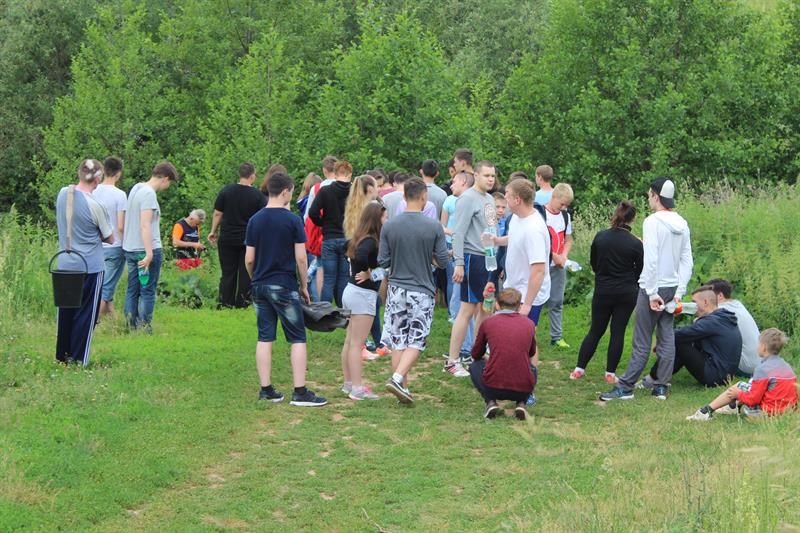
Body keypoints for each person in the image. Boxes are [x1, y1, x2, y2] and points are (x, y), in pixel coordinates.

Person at [601, 177, 693, 401]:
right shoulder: (682, 222)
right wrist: (679, 292)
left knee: (641, 339)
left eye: (649, 194)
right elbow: (687, 260)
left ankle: (626, 387)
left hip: (653, 286)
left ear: (655, 196)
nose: (648, 198)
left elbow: (651, 259)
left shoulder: (652, 222)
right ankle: (661, 386)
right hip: (671, 286)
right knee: (666, 336)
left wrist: (651, 292)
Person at [244, 172, 326, 407]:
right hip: (284, 285)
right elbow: (301, 258)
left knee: (265, 337)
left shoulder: (255, 220)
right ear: (285, 191)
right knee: (297, 338)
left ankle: (266, 390)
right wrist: (304, 285)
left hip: (260, 285)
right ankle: (300, 392)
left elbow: (249, 259)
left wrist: (255, 279)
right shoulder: (292, 220)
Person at [380, 178, 450, 404]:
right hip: (421, 289)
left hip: (396, 289)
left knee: (398, 340)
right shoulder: (433, 226)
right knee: (417, 340)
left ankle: (403, 388)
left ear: (404, 196)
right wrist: (429, 257)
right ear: (424, 196)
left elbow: (383, 260)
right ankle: (397, 379)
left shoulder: (390, 225)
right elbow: (442, 262)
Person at [572, 202, 643, 382]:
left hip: (603, 290)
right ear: (633, 219)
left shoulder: (601, 236)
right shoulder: (636, 243)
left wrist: (604, 275)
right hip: (626, 292)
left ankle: (579, 369)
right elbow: (640, 271)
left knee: (595, 330)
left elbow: (594, 263)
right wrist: (630, 280)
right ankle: (610, 374)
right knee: (617, 331)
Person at [55, 159, 113, 366]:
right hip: (90, 266)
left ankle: (62, 356)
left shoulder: (63, 194)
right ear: (97, 179)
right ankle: (79, 359)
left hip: (65, 263)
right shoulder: (96, 205)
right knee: (85, 315)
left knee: (66, 313)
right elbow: (110, 238)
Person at [446, 160, 498, 377]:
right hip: (472, 258)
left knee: (486, 308)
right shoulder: (467, 198)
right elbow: (458, 233)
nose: (490, 179)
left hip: (488, 259)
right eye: (486, 175)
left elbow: (491, 231)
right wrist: (459, 263)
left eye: (493, 176)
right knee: (467, 310)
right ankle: (452, 361)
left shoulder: (490, 199)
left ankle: (477, 354)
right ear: (475, 175)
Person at [687, 328, 797, 421]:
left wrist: (738, 394)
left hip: (766, 415)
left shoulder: (763, 369)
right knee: (750, 384)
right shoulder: (787, 366)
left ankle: (706, 411)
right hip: (787, 413)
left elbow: (753, 399)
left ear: (763, 347)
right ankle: (731, 407)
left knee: (740, 386)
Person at [643, 285, 741, 387]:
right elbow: (690, 334)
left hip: (716, 377)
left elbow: (681, 335)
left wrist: (661, 341)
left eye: (694, 302)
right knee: (683, 341)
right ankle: (660, 376)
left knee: (679, 342)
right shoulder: (721, 317)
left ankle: (653, 378)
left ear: (705, 302)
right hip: (725, 376)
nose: (692, 305)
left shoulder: (711, 322)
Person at [122, 161, 179, 332]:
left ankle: (130, 326)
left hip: (130, 248)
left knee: (132, 290)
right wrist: (149, 254)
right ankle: (144, 328)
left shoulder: (137, 188)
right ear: (165, 178)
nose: (168, 187)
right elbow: (145, 225)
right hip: (144, 250)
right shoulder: (149, 194)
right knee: (147, 291)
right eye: (169, 183)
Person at [340, 202, 387, 400]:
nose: (387, 220)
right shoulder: (370, 241)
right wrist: (370, 272)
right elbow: (360, 257)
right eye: (385, 217)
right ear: (376, 219)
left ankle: (349, 383)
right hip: (362, 295)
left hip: (351, 292)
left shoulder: (360, 237)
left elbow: (346, 249)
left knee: (350, 341)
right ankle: (357, 388)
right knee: (356, 344)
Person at [470, 288, 537, 420]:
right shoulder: (529, 324)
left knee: (474, 366)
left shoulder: (488, 323)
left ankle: (490, 402)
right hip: (522, 389)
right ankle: (522, 403)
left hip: (492, 387)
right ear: (519, 306)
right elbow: (532, 353)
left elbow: (476, 354)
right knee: (532, 368)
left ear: (497, 305)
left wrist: (488, 358)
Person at [208, 162, 266, 308]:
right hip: (248, 240)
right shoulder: (258, 196)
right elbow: (262, 218)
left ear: (239, 174)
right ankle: (243, 302)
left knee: (228, 272)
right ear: (252, 176)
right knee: (245, 273)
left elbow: (217, 213)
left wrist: (213, 231)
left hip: (227, 238)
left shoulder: (226, 191)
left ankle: (225, 302)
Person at [441, 171, 476, 359]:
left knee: (458, 307)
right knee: (466, 307)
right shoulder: (473, 200)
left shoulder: (465, 202)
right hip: (465, 258)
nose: (451, 185)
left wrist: (443, 230)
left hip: (464, 262)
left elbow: (461, 233)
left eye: (454, 182)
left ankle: (466, 349)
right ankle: (470, 348)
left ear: (463, 182)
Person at [308, 160, 352, 307]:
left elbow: (313, 212)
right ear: (350, 174)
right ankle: (343, 311)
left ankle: (325, 312)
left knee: (328, 279)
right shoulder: (354, 191)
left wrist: (323, 223)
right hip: (347, 238)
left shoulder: (325, 191)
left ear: (336, 173)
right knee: (344, 278)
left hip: (329, 238)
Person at [539, 183, 574, 348]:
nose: (564, 207)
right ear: (554, 197)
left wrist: (563, 257)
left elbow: (568, 239)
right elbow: (540, 241)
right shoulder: (540, 214)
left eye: (566, 205)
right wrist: (554, 256)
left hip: (558, 266)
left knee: (557, 301)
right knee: (535, 300)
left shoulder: (565, 216)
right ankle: (527, 332)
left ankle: (556, 336)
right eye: (562, 204)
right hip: (541, 265)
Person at [93, 156, 126, 317]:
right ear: (118, 173)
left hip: (96, 245)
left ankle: (112, 319)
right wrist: (126, 243)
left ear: (104, 171)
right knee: (106, 287)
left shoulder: (93, 191)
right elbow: (120, 226)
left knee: (103, 282)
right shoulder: (120, 195)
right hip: (115, 246)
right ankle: (94, 320)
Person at [707, 278, 760, 376]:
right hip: (760, 363)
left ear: (720, 296)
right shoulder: (737, 304)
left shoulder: (721, 309)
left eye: (708, 295)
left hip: (745, 367)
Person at [297, 172, 322, 299]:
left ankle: (309, 295)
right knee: (315, 269)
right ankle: (317, 300)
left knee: (309, 270)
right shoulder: (314, 201)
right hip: (314, 238)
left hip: (304, 237)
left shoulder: (301, 201)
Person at [304, 155, 337, 221]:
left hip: (322, 225)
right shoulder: (348, 186)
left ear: (324, 170)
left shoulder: (316, 188)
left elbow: (307, 215)